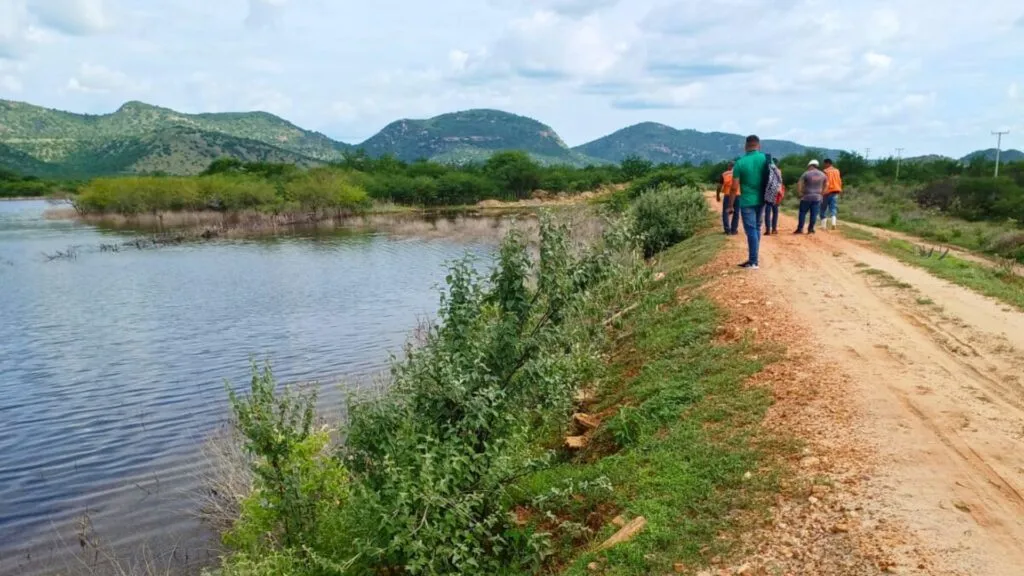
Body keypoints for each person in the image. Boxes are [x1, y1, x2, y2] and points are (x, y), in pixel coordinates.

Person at [730, 135, 768, 269]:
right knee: (757, 228)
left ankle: (753, 261)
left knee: (751, 229)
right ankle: (754, 258)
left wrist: (730, 205)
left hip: (747, 201)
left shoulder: (740, 163)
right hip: (763, 199)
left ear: (745, 146)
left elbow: (734, 187)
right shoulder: (766, 159)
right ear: (759, 145)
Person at [795, 159, 827, 234]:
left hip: (806, 196)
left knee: (802, 212)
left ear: (811, 166)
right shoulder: (823, 174)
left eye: (809, 166)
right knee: (814, 214)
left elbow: (799, 183)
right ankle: (811, 229)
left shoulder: (806, 173)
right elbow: (827, 184)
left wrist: (800, 192)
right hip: (817, 197)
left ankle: (800, 229)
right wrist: (822, 194)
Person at [716, 161, 739, 235]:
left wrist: (718, 195)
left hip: (728, 195)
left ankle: (727, 230)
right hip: (738, 195)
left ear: (729, 166)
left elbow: (719, 186)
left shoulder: (724, 174)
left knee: (726, 212)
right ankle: (734, 230)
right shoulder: (740, 174)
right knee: (736, 213)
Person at [763, 158, 784, 236]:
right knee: (775, 212)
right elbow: (780, 181)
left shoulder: (767, 170)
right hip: (776, 192)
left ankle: (768, 229)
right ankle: (774, 229)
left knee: (767, 211)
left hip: (768, 192)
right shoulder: (778, 171)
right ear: (776, 163)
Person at [821, 158, 843, 230]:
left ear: (828, 163)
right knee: (833, 208)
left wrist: (821, 191)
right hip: (835, 191)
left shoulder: (825, 171)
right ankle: (833, 223)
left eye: (824, 164)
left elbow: (823, 182)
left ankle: (823, 226)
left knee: (823, 208)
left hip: (827, 192)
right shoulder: (837, 171)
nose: (824, 165)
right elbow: (839, 180)